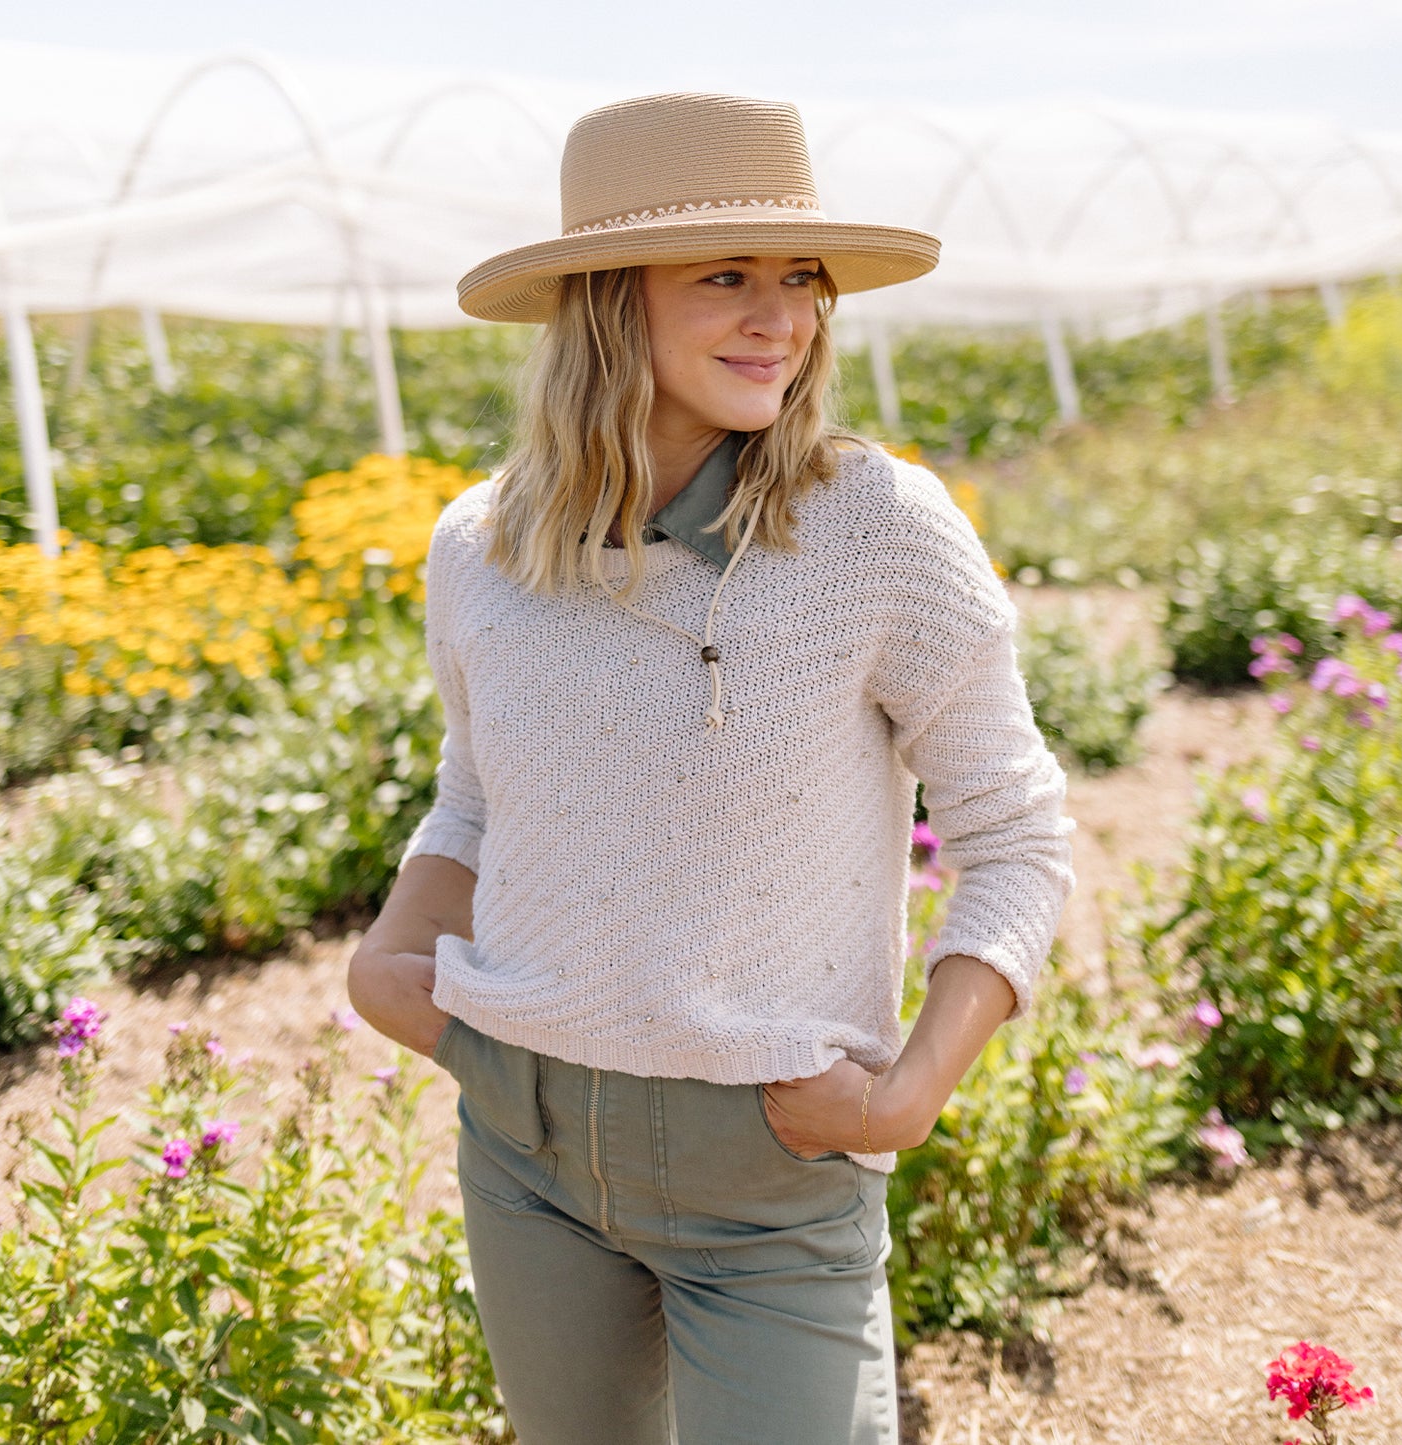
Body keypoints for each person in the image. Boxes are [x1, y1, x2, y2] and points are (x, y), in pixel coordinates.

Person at [347, 91, 1074, 1445]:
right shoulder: (478, 545)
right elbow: (478, 786)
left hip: (775, 1167)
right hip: (525, 1140)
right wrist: (394, 958)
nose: (781, 316)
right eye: (725, 276)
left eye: (798, 278)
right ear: (608, 302)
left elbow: (1016, 834)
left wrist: (908, 1092)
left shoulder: (874, 528)